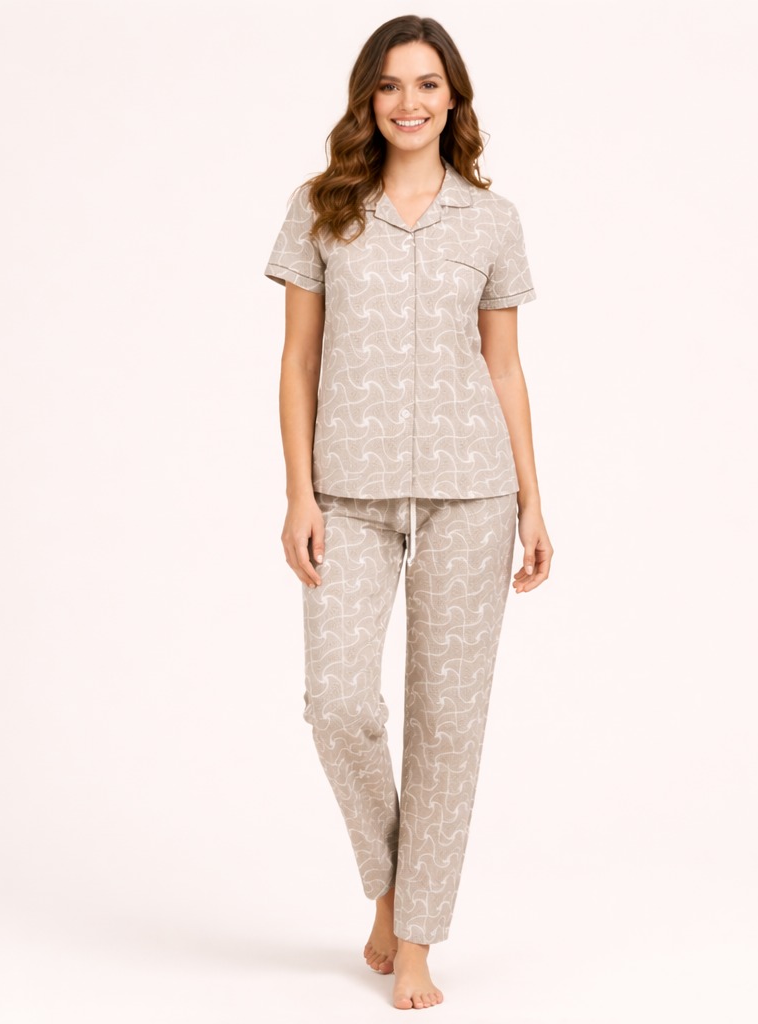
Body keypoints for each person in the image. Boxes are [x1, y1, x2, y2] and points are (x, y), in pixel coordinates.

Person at [264, 14, 553, 1011]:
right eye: (390, 85)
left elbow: (504, 366)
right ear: (368, 99)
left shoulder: (493, 219)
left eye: (427, 84)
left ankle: (417, 936)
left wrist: (533, 500)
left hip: (475, 489)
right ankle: (385, 887)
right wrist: (297, 492)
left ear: (452, 98)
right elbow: (298, 359)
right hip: (346, 489)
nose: (409, 102)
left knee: (446, 722)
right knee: (338, 703)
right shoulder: (322, 209)